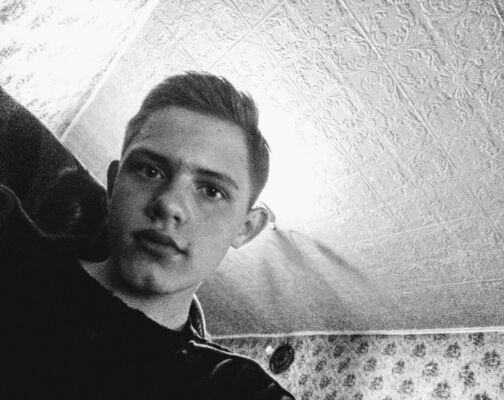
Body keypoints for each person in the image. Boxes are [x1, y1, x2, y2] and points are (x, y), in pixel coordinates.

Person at [1, 72, 294, 399]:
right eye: (150, 171)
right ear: (113, 185)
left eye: (211, 191)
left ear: (246, 228)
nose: (169, 205)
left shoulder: (236, 389)